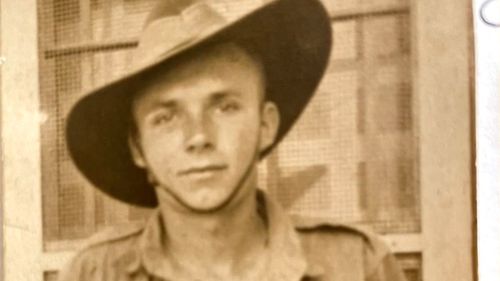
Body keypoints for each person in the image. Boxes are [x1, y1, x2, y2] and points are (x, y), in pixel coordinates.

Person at [60, 0, 408, 280]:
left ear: (266, 124)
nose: (198, 137)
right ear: (138, 147)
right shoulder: (93, 274)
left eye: (225, 107)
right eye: (165, 118)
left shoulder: (358, 267)